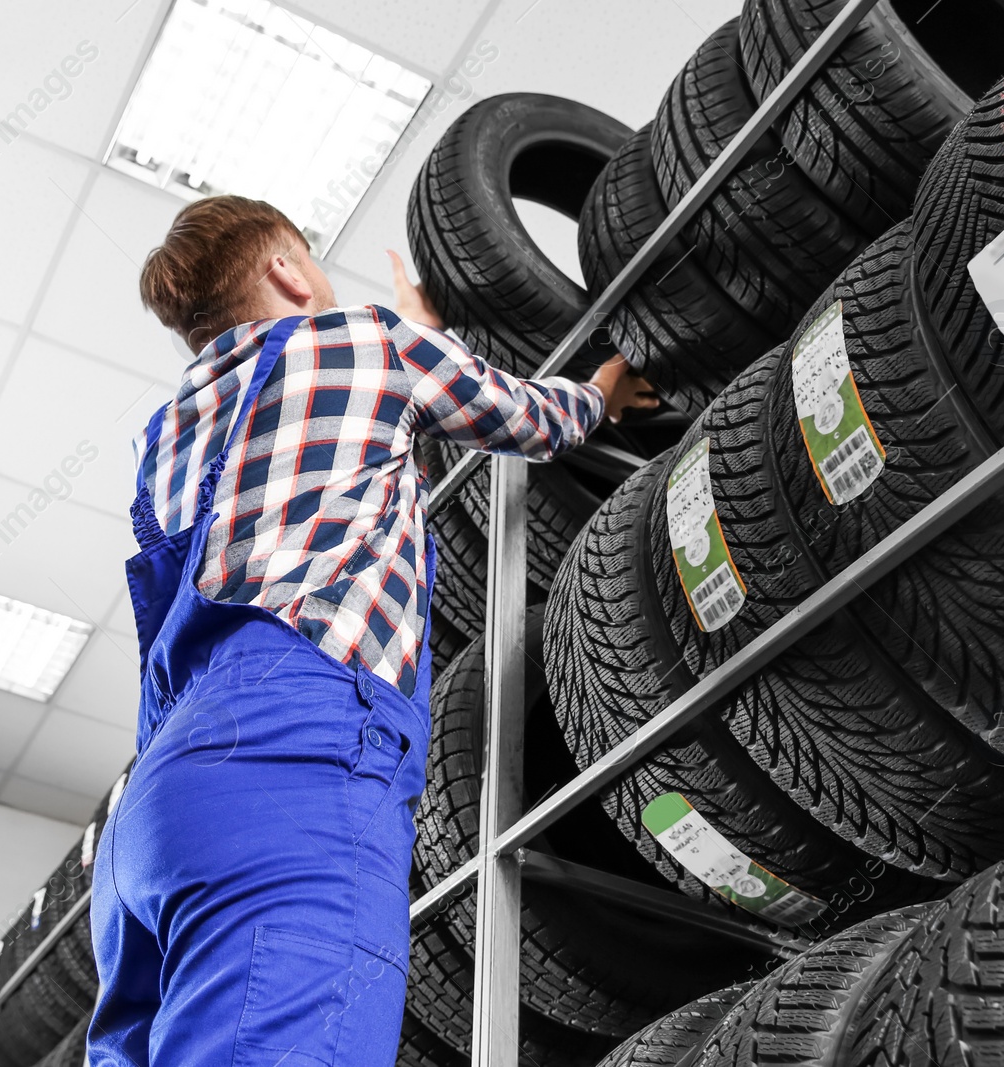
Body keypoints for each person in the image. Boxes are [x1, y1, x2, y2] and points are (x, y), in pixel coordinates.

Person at [88, 194, 657, 1067]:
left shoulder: (164, 435)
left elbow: (338, 489)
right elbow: (531, 420)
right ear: (285, 269)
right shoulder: (368, 338)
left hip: (154, 801)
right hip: (291, 756)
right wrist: (601, 393)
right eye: (308, 257)